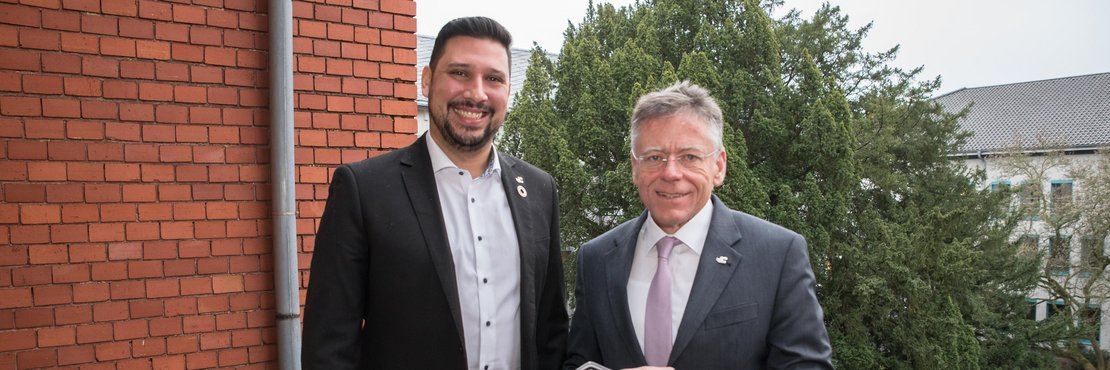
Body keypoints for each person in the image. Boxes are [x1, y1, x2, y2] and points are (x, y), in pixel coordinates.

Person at [302, 16, 568, 370]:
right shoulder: (364, 190)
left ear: (507, 90)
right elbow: (329, 345)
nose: (476, 93)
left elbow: (551, 331)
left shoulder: (538, 189)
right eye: (459, 73)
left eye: (493, 78)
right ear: (427, 80)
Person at [564, 81, 833, 370]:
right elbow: (579, 362)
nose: (671, 172)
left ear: (719, 166)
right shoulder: (596, 259)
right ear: (634, 167)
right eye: (654, 157)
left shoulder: (777, 255)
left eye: (689, 157)